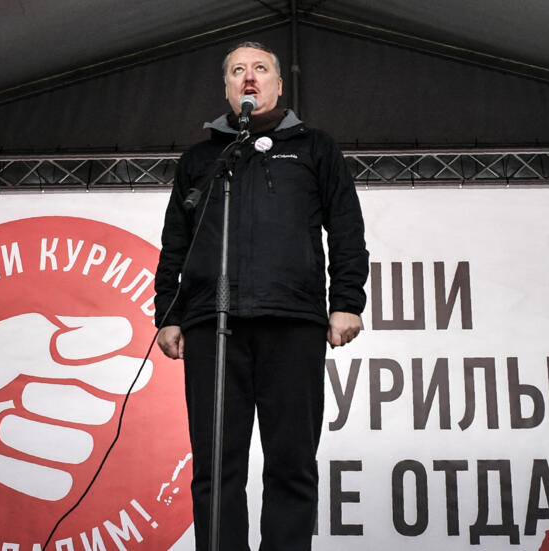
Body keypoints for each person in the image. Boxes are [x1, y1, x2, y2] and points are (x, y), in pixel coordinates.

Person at [154, 41, 368, 551]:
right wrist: (168, 312)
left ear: (277, 83)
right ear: (227, 88)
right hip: (212, 324)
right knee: (214, 466)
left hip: (291, 320)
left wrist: (346, 301)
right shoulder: (201, 159)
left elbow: (345, 228)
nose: (248, 77)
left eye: (259, 68)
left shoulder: (316, 147)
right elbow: (175, 241)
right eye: (237, 71)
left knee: (291, 462)